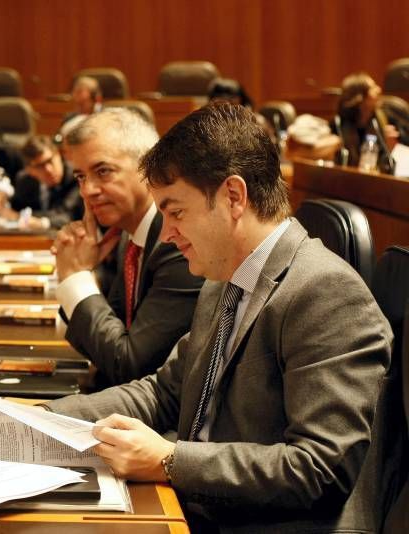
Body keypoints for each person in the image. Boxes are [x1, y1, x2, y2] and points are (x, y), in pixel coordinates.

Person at [45, 103, 395, 532]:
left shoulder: (325, 292)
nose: (168, 234)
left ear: (233, 197)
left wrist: (169, 460)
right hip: (200, 507)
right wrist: (44, 420)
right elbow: (163, 393)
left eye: (176, 212)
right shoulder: (223, 278)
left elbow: (319, 468)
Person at [52, 108, 202, 387]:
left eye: (103, 171)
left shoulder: (177, 242)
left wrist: (75, 277)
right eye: (81, 177)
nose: (87, 191)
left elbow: (129, 365)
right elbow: (107, 345)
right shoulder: (129, 234)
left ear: (148, 167)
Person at [11, 135, 84, 229]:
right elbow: (16, 208)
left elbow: (69, 215)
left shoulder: (77, 176)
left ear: (58, 155)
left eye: (50, 161)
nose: (48, 170)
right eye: (40, 166)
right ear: (30, 170)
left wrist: (41, 223)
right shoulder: (25, 180)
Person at [335, 72, 398, 173]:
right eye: (372, 88)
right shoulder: (337, 126)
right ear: (360, 98)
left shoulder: (378, 121)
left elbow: (385, 168)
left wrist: (389, 148)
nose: (379, 90)